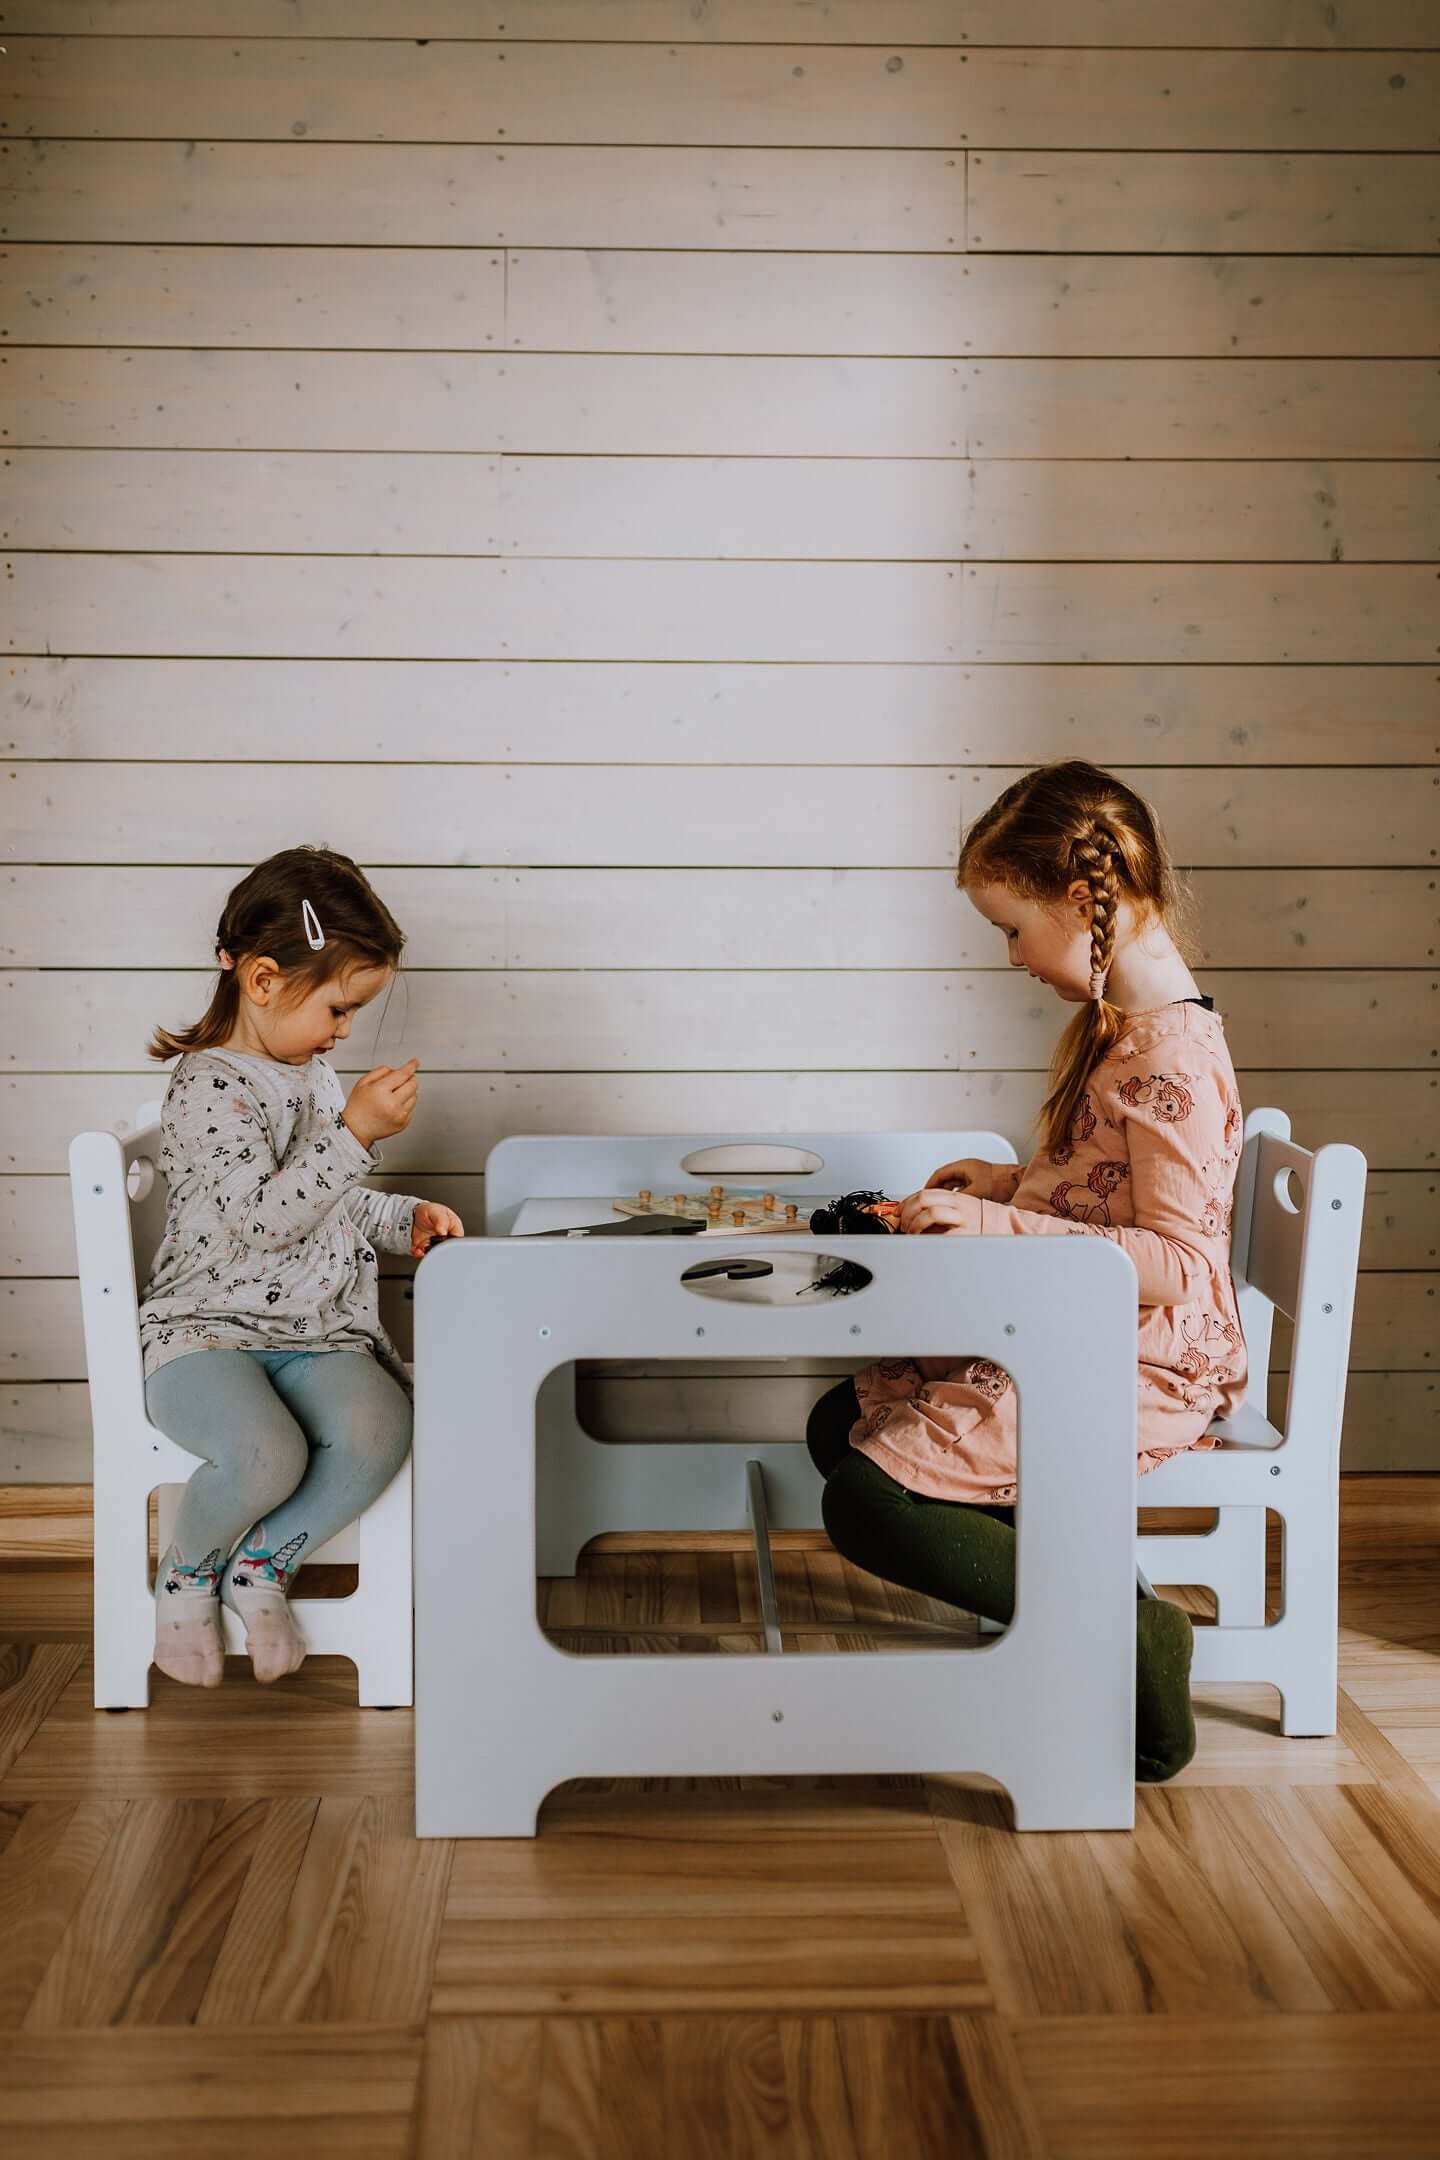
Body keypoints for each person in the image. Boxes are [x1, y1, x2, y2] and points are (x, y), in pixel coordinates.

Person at [807, 760, 1247, 1781]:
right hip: (1078, 1330)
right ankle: (1085, 1603)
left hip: (1138, 1360)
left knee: (865, 1501)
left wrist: (997, 1231)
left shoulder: (1171, 1056)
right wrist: (1006, 1185)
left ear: (1085, 901)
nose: (1009, 955)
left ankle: (1133, 1637)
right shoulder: (1128, 1033)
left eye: (1011, 927)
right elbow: (1116, 1196)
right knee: (840, 1424)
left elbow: (1177, 1264)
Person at [139, 845, 464, 1689]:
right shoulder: (209, 1086)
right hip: (206, 1333)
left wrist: (403, 1221)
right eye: (339, 1006)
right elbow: (261, 1222)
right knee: (263, 1453)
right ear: (262, 980)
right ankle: (187, 1580)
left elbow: (327, 1200)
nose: (345, 1030)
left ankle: (262, 1567)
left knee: (383, 1426)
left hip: (313, 1330)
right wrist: (353, 1135)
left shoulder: (312, 1074)